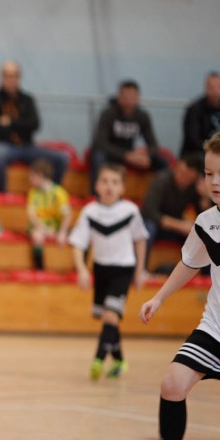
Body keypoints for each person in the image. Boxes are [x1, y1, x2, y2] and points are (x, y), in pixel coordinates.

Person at [126, 129, 220, 440]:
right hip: (219, 326)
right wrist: (159, 298)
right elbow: (190, 262)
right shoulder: (205, 222)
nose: (214, 181)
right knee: (173, 384)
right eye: (209, 174)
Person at [69, 163, 148, 380]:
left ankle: (98, 359)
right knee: (108, 318)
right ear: (97, 185)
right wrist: (82, 270)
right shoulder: (89, 212)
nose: (109, 186)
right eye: (104, 181)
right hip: (101, 269)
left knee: (110, 315)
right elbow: (78, 243)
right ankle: (120, 361)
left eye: (114, 182)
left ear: (122, 187)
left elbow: (140, 240)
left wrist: (140, 270)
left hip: (123, 269)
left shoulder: (130, 211)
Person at [0, 60, 69, 193]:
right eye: (8, 76)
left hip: (27, 147)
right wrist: (21, 123)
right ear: (2, 78)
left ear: (19, 78)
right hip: (3, 145)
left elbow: (34, 124)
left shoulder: (27, 100)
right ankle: (1, 195)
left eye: (14, 76)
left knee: (62, 158)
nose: (11, 80)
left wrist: (9, 121)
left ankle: (51, 195)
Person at [89, 79, 168, 195]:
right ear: (119, 97)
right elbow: (99, 142)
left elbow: (153, 144)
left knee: (162, 162)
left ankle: (160, 196)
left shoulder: (142, 116)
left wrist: (146, 156)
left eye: (132, 96)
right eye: (125, 96)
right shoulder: (108, 114)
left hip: (132, 155)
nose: (128, 99)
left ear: (138, 98)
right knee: (97, 156)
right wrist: (126, 155)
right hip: (112, 154)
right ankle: (96, 196)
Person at [140, 152, 208, 272]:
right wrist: (179, 225)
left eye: (188, 177)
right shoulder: (162, 179)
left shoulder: (194, 187)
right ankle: (141, 270)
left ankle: (205, 275)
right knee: (148, 229)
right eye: (180, 172)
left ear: (195, 177)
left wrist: (205, 197)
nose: (182, 178)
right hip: (155, 224)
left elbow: (203, 216)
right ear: (177, 166)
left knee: (203, 234)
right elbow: (149, 211)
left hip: (174, 228)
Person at [26, 157, 72, 271]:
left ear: (40, 175)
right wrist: (42, 227)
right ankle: (40, 268)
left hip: (56, 226)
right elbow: (31, 214)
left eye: (32, 176)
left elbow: (67, 214)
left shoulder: (59, 193)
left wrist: (62, 232)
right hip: (40, 227)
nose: (30, 179)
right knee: (37, 236)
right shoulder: (33, 193)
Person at [181, 72, 220, 156]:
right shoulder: (194, 110)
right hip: (200, 152)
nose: (215, 91)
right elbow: (193, 139)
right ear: (206, 88)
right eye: (211, 87)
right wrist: (212, 150)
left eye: (218, 86)